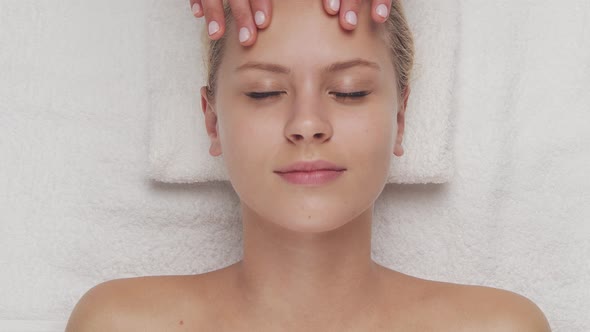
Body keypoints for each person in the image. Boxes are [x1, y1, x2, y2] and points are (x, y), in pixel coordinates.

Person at [65, 0, 552, 330]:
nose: (307, 124)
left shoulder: (498, 326)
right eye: (264, 92)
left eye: (349, 91)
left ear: (400, 117)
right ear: (212, 121)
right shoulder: (119, 323)